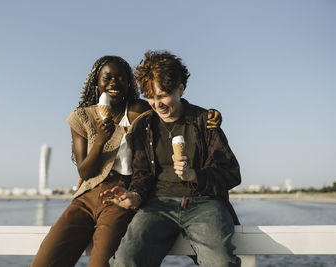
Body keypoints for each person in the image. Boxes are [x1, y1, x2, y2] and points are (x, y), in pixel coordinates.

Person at [101, 51, 241, 267]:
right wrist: (135, 196)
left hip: (206, 204)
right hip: (158, 205)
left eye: (163, 95)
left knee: (221, 262)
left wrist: (194, 174)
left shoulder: (205, 122)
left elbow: (231, 173)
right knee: (125, 261)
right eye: (151, 97)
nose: (158, 104)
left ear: (181, 88)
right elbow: (142, 175)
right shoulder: (143, 125)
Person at [30, 56, 150, 267]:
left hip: (120, 197)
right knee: (45, 260)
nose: (114, 83)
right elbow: (85, 171)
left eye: (121, 78)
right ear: (97, 82)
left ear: (129, 83)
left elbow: (171, 109)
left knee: (100, 263)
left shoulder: (140, 110)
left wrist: (206, 117)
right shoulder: (82, 116)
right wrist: (100, 142)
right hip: (86, 196)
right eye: (107, 78)